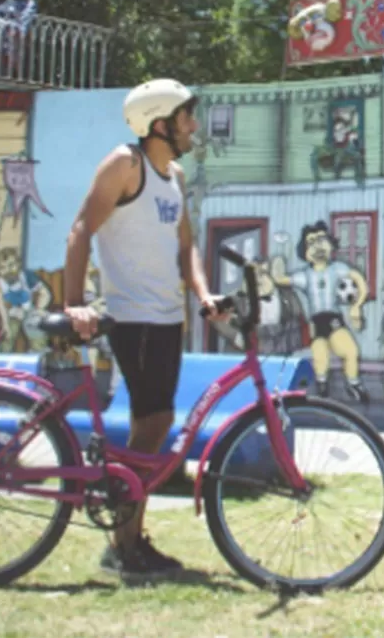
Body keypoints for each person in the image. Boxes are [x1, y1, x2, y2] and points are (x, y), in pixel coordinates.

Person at [64, 78, 228, 582]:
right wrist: (73, 304)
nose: (193, 126)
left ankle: (128, 539)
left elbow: (186, 247)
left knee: (153, 426)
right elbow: (80, 230)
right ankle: (125, 543)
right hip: (131, 316)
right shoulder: (124, 165)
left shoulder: (173, 176)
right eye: (185, 117)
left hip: (167, 318)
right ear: (159, 124)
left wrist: (202, 293)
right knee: (153, 422)